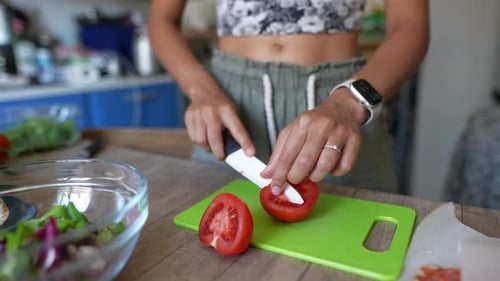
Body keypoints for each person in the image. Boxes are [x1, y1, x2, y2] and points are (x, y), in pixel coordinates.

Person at [149, 0, 429, 195]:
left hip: (341, 108)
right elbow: (162, 20)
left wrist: (350, 103)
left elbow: (410, 25)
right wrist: (201, 90)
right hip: (230, 114)